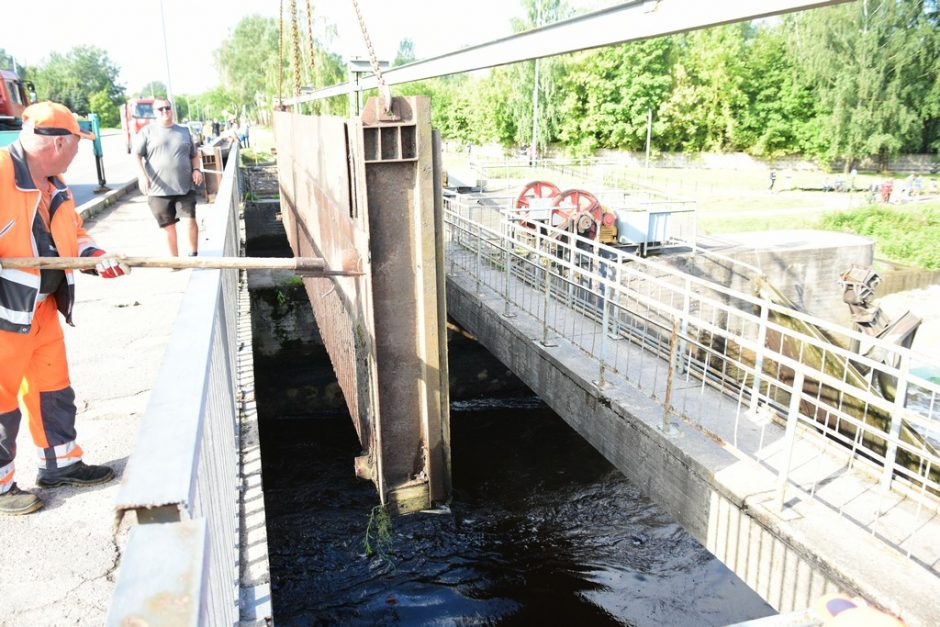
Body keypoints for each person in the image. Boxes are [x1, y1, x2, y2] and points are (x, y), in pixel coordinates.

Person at [0, 101, 130, 516]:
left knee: (53, 390)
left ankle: (61, 464)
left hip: (40, 310)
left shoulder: (54, 184)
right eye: (77, 142)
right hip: (5, 314)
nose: (79, 151)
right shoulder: (2, 175)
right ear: (58, 142)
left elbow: (72, 237)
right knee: (1, 401)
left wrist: (98, 258)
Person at [134, 98, 204, 257]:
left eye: (167, 108)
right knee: (169, 228)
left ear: (171, 109)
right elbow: (136, 156)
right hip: (159, 190)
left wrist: (197, 170)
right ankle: (174, 261)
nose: (165, 111)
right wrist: (142, 177)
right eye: (160, 109)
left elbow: (194, 155)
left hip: (184, 187)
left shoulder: (184, 131)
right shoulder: (147, 132)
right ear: (155, 113)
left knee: (190, 220)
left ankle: (193, 256)